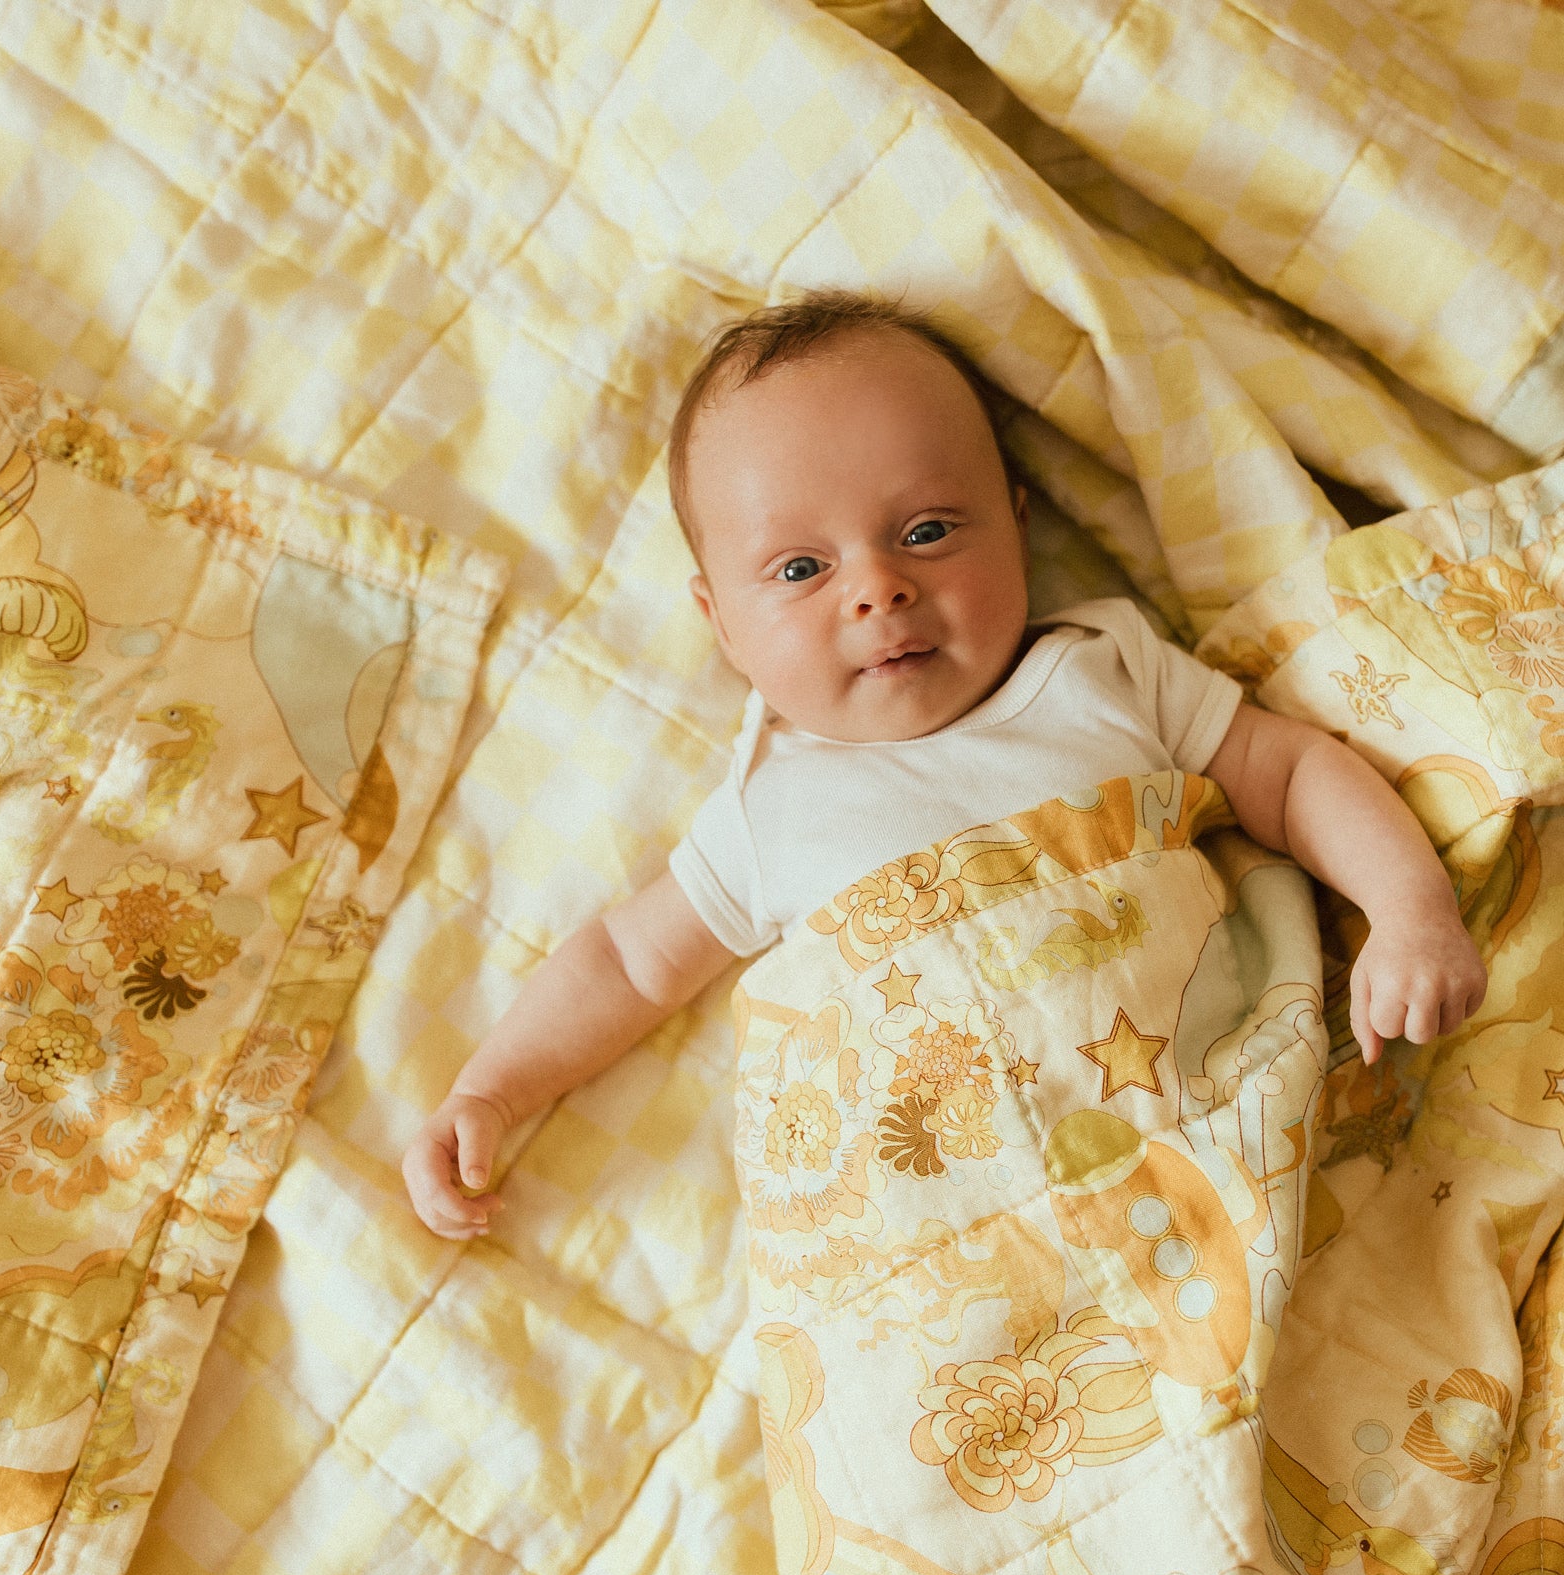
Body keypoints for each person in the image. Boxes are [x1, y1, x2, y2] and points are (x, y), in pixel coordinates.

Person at [403, 292, 1488, 1241]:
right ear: (720, 622)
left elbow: (1293, 774)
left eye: (925, 529)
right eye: (798, 567)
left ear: (1016, 528)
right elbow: (627, 963)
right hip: (963, 1232)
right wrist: (492, 1090)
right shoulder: (766, 809)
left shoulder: (1102, 673)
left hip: (1223, 1142)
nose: (876, 587)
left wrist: (1410, 912)